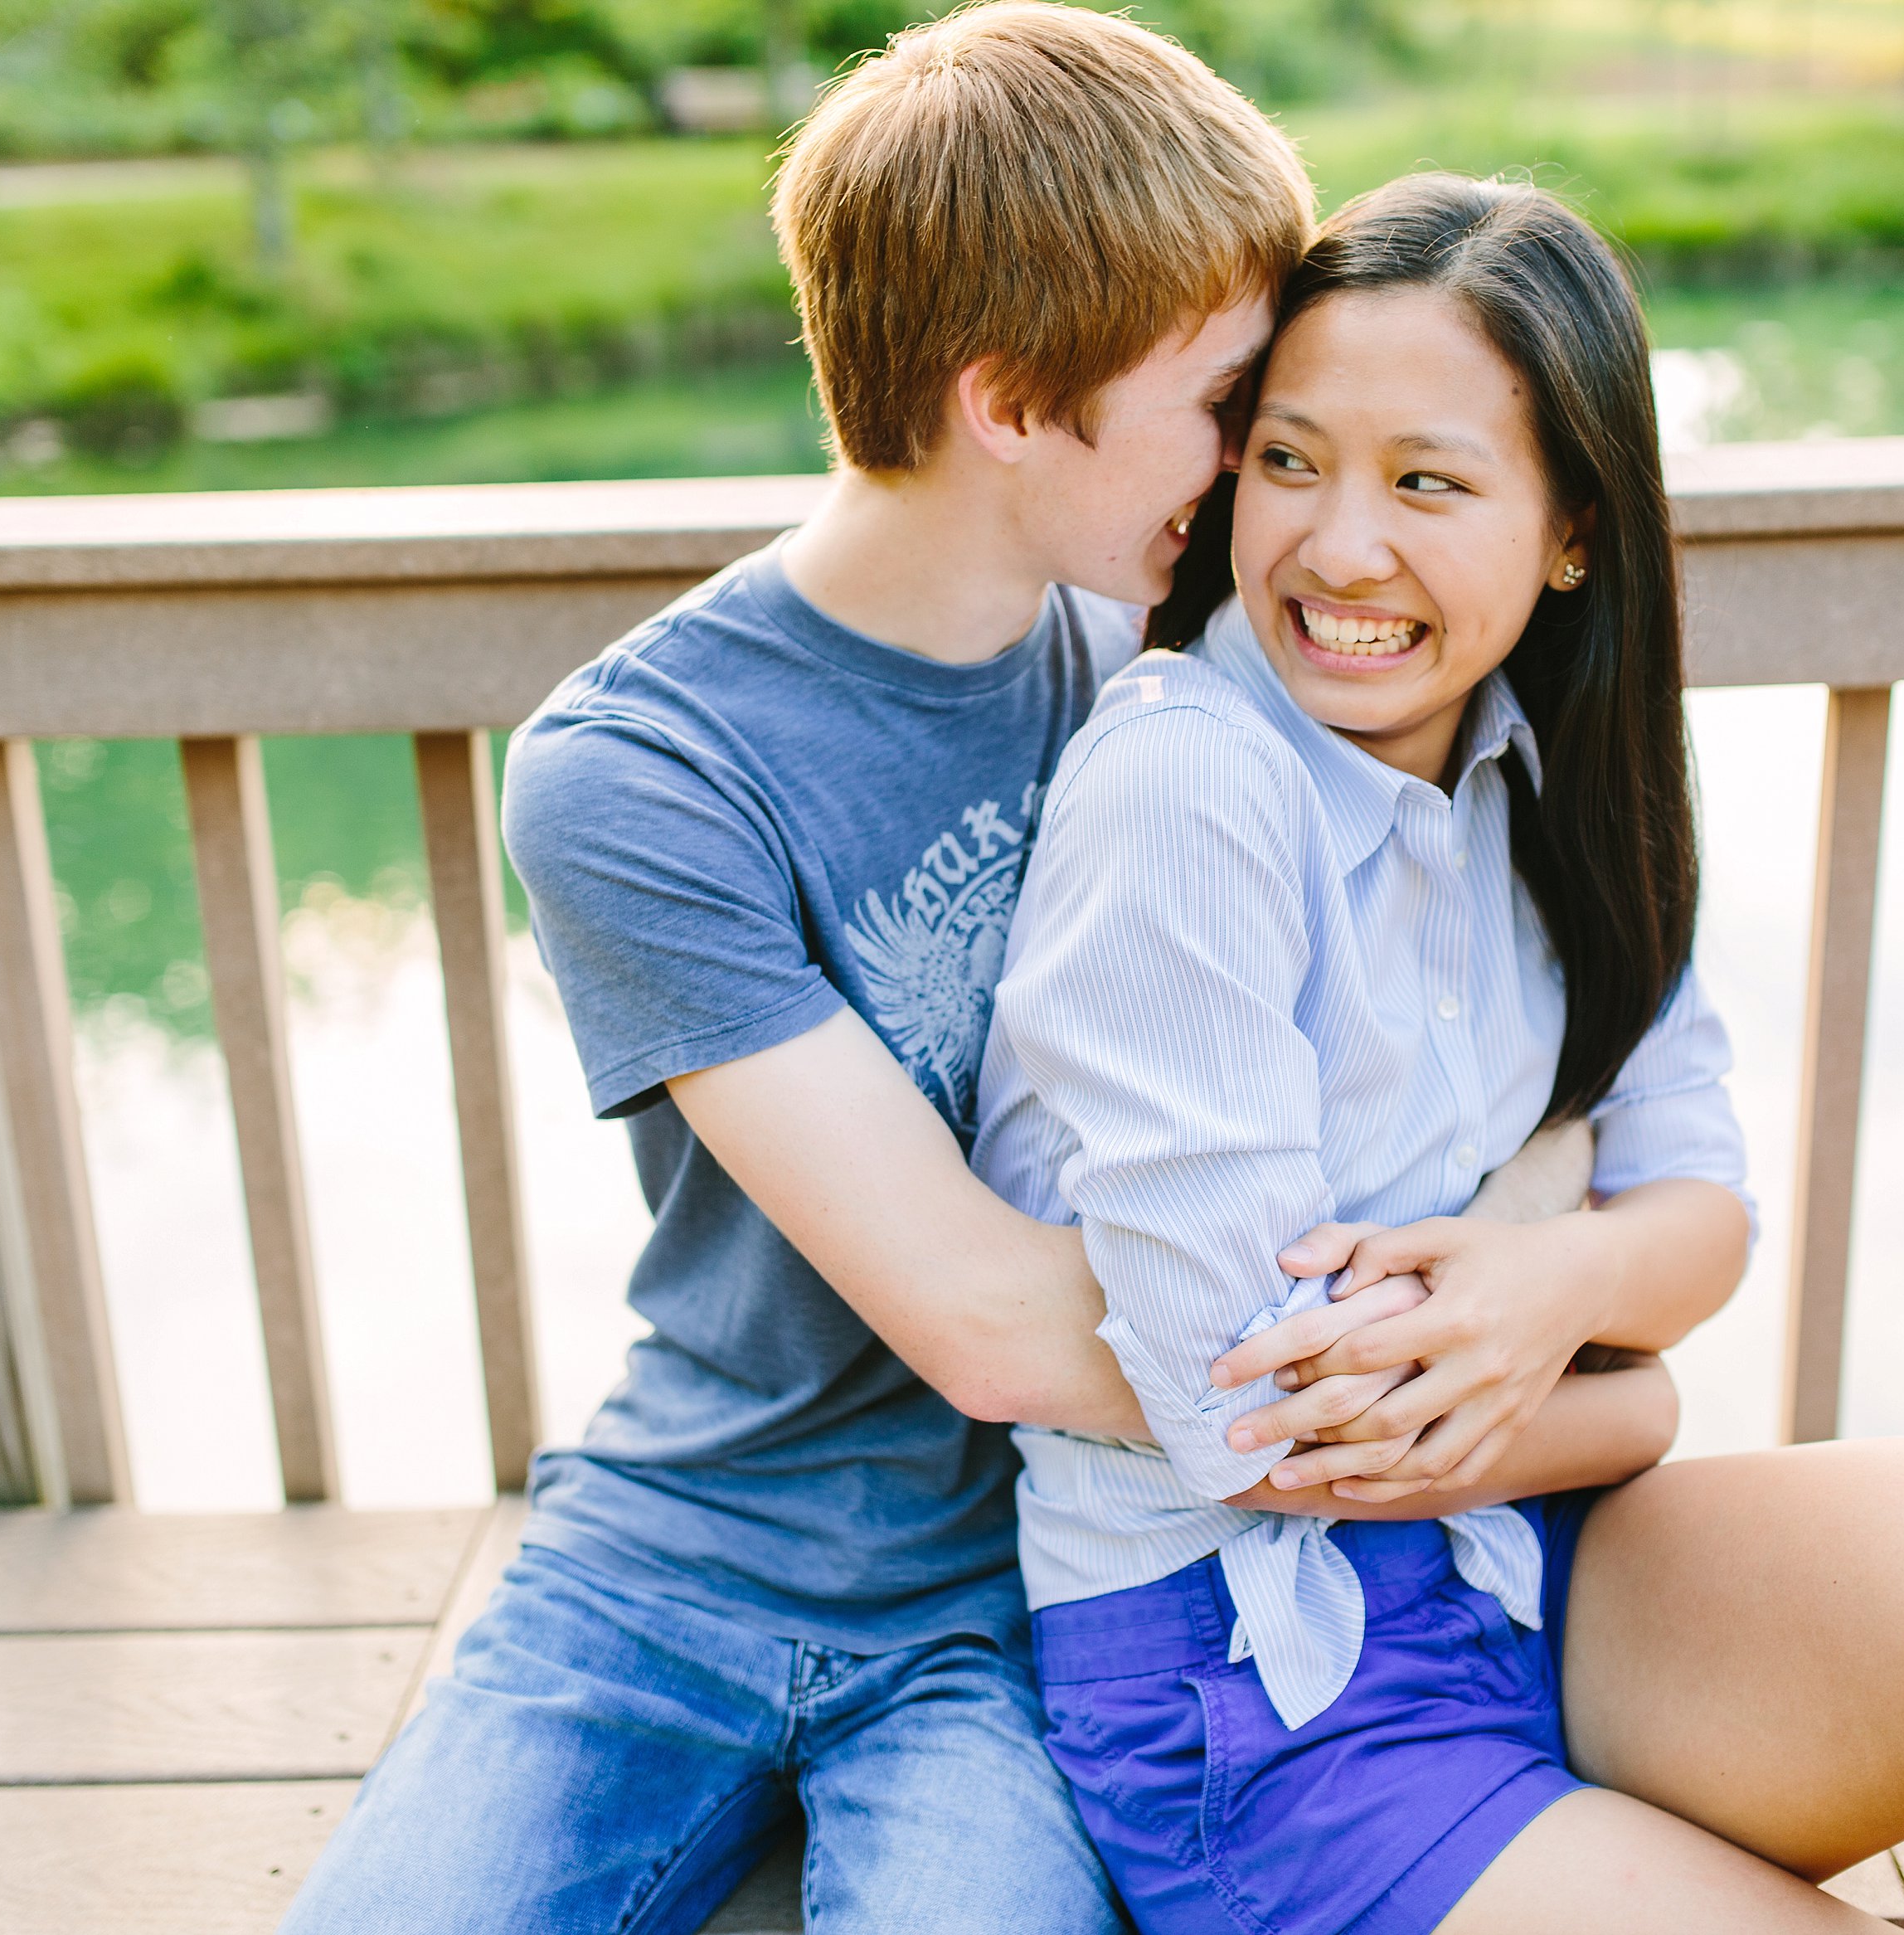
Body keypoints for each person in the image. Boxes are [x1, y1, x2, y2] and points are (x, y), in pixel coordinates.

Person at [279, 11, 1601, 1933]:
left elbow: (1468, 985)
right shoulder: (639, 773)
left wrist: (1554, 1253)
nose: (1264, 471)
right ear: (1008, 402)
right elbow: (986, 1321)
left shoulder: (1196, 662)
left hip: (1020, 1590)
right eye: (1229, 402)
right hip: (677, 1564)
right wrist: (1492, 1375)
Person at [971, 173, 1904, 1935]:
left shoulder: (1561, 774)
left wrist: (1561, 1286)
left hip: (1547, 1574)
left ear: (1571, 530)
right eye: (1288, 459)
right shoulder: (1189, 781)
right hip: (1261, 1684)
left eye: (1429, 482)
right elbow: (1262, 1424)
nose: (1337, 547)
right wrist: (1634, 1396)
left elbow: (1697, 1212)